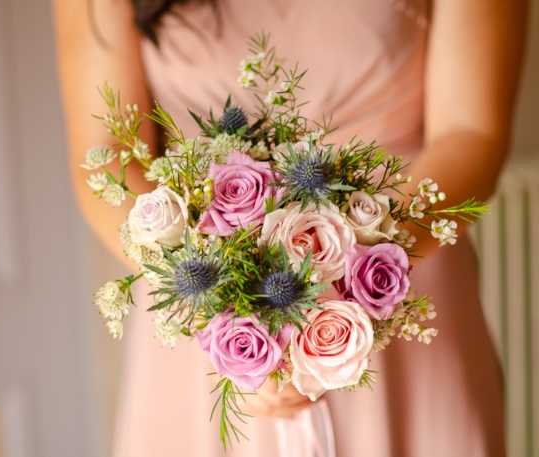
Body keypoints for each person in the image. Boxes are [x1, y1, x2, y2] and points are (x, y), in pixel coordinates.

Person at [52, 0, 527, 455]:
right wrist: (219, 308)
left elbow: (472, 133)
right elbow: (105, 152)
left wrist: (345, 281)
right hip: (206, 318)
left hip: (400, 283)